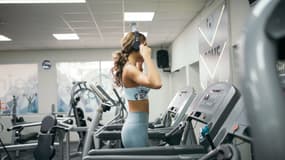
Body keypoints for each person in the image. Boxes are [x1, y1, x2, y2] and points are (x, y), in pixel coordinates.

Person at [112, 31, 162, 148]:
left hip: (139, 127)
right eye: (145, 45)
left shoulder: (132, 68)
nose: (147, 48)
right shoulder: (129, 69)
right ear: (136, 46)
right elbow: (157, 83)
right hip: (135, 129)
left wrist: (141, 63)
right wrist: (147, 57)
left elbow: (143, 84)